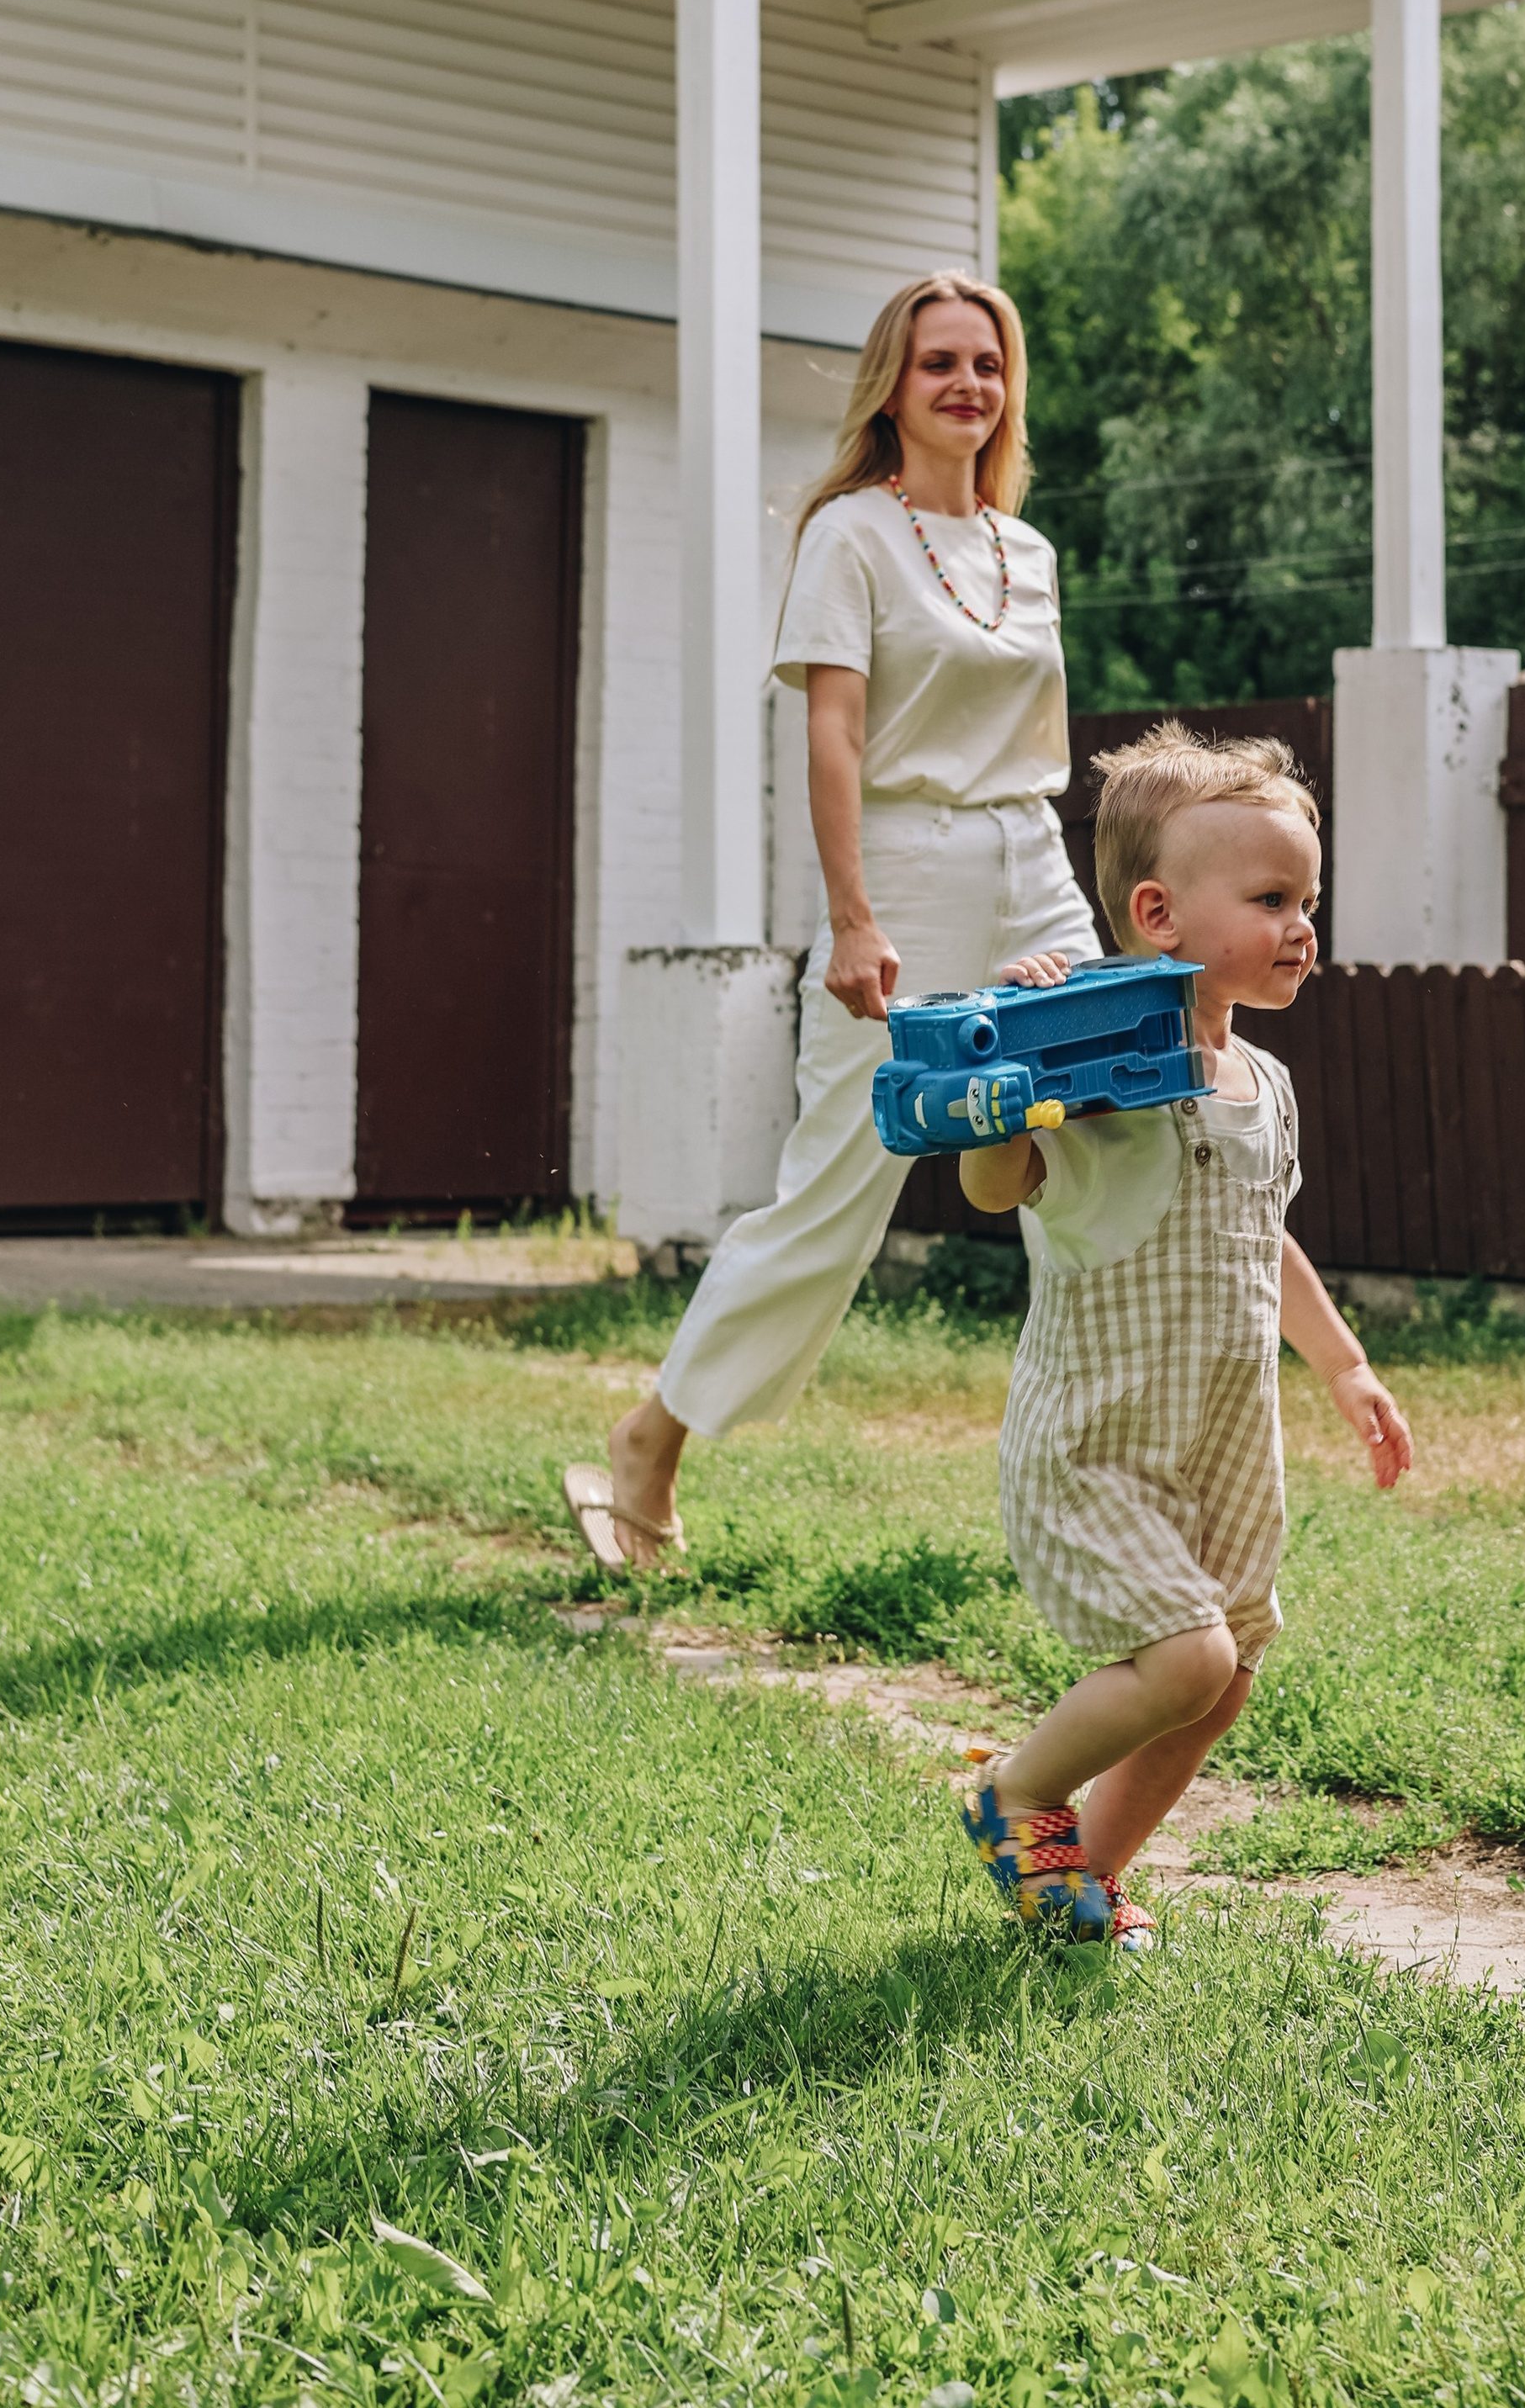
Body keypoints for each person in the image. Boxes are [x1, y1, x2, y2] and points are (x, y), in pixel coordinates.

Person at [565, 270, 1099, 1571]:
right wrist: (852, 920)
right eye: (940, 365)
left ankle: (1101, 1463)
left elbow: (1034, 742)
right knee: (835, 1196)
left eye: (988, 363)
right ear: (895, 387)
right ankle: (654, 1435)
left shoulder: (1026, 553)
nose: (968, 385)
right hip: (904, 871)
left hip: (1034, 859)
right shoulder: (851, 534)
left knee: (1102, 1138)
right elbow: (835, 735)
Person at [951, 722, 1414, 1948]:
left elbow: (1263, 1237)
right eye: (1271, 899)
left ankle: (1081, 1880)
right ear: (1156, 913)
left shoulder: (1267, 1086)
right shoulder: (1094, 1079)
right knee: (1187, 1663)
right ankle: (1018, 1795)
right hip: (1096, 1448)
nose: (1304, 925)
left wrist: (1345, 1365)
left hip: (1218, 1452)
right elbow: (997, 1188)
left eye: (1308, 898)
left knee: (1222, 1684)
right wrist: (1014, 1088)